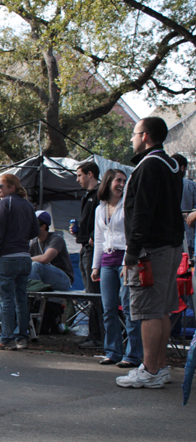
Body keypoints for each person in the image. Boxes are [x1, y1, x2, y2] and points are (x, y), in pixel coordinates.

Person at [117, 117, 183, 388]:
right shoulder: (172, 165)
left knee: (147, 311)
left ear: (145, 136)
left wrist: (132, 251)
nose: (132, 139)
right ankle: (160, 366)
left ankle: (150, 370)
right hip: (171, 246)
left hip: (150, 250)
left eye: (134, 134)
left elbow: (142, 212)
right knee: (163, 310)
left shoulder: (148, 166)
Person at [90, 169, 142, 367]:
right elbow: (99, 238)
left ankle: (133, 355)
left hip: (125, 259)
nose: (122, 184)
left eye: (124, 181)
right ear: (108, 182)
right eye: (118, 180)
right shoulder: (100, 209)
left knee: (129, 308)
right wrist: (96, 266)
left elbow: (131, 235)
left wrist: (128, 262)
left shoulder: (128, 205)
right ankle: (112, 351)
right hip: (106, 261)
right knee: (108, 308)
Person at [0, 174, 38, 350]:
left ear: (11, 187)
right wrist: (21, 237)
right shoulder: (27, 204)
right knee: (21, 299)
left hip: (7, 256)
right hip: (25, 256)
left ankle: (6, 338)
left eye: (0, 186)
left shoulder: (6, 203)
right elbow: (34, 230)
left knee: (7, 300)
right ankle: (22, 337)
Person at [73, 161, 104, 349]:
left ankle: (98, 336)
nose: (78, 180)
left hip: (94, 250)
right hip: (84, 247)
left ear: (90, 174)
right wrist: (79, 232)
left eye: (79, 175)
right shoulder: (87, 196)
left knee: (95, 294)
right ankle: (94, 334)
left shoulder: (100, 194)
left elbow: (103, 219)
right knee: (89, 293)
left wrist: (93, 237)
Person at [28, 211, 74, 291]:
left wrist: (25, 259)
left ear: (43, 227)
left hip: (63, 279)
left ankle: (34, 299)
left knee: (35, 265)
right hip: (45, 278)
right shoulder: (33, 242)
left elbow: (45, 258)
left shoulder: (56, 239)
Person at [176, 154, 194, 257]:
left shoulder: (162, 184)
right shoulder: (190, 185)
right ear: (183, 167)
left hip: (168, 241)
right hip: (188, 237)